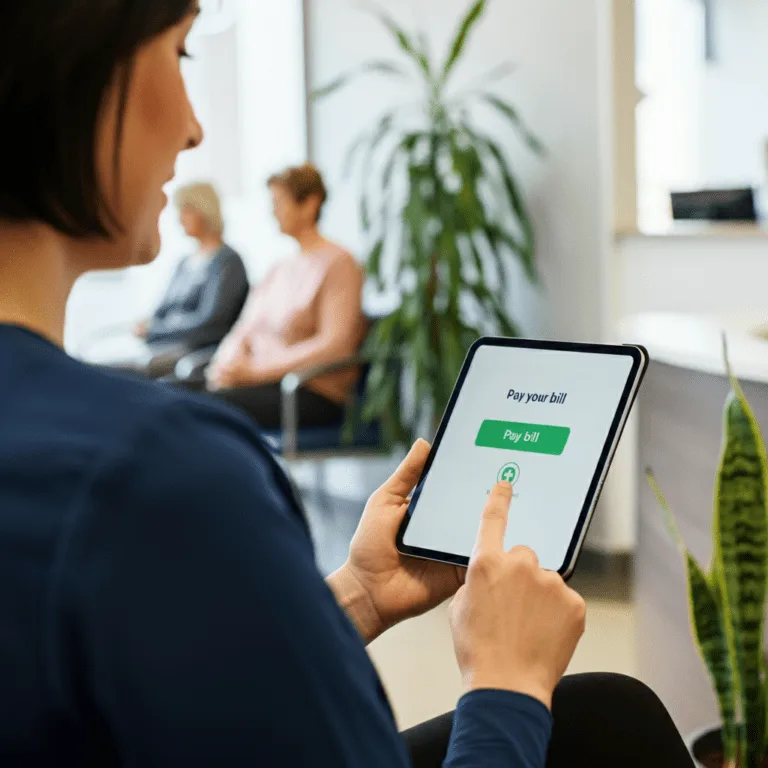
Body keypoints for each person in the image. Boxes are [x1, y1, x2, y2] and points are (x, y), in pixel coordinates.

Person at [0, 2, 695, 767]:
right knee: (612, 721)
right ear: (78, 77)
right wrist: (506, 681)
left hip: (307, 392)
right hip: (242, 403)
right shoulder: (164, 470)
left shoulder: (316, 276)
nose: (194, 128)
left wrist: (356, 597)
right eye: (182, 54)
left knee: (605, 710)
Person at [198, 163, 367, 429]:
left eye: (279, 202)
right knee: (172, 393)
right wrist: (226, 363)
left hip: (307, 389)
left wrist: (256, 372)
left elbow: (336, 345)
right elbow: (245, 327)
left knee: (203, 408)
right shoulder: (279, 267)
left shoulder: (339, 263)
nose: (273, 211)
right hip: (262, 381)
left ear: (310, 204)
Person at [82, 182, 249, 378]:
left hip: (195, 348)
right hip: (163, 343)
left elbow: (211, 323)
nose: (180, 219)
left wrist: (156, 331)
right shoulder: (184, 263)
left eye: (186, 211)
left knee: (121, 371)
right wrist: (147, 325)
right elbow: (161, 310)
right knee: (98, 359)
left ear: (204, 211)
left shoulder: (227, 262)